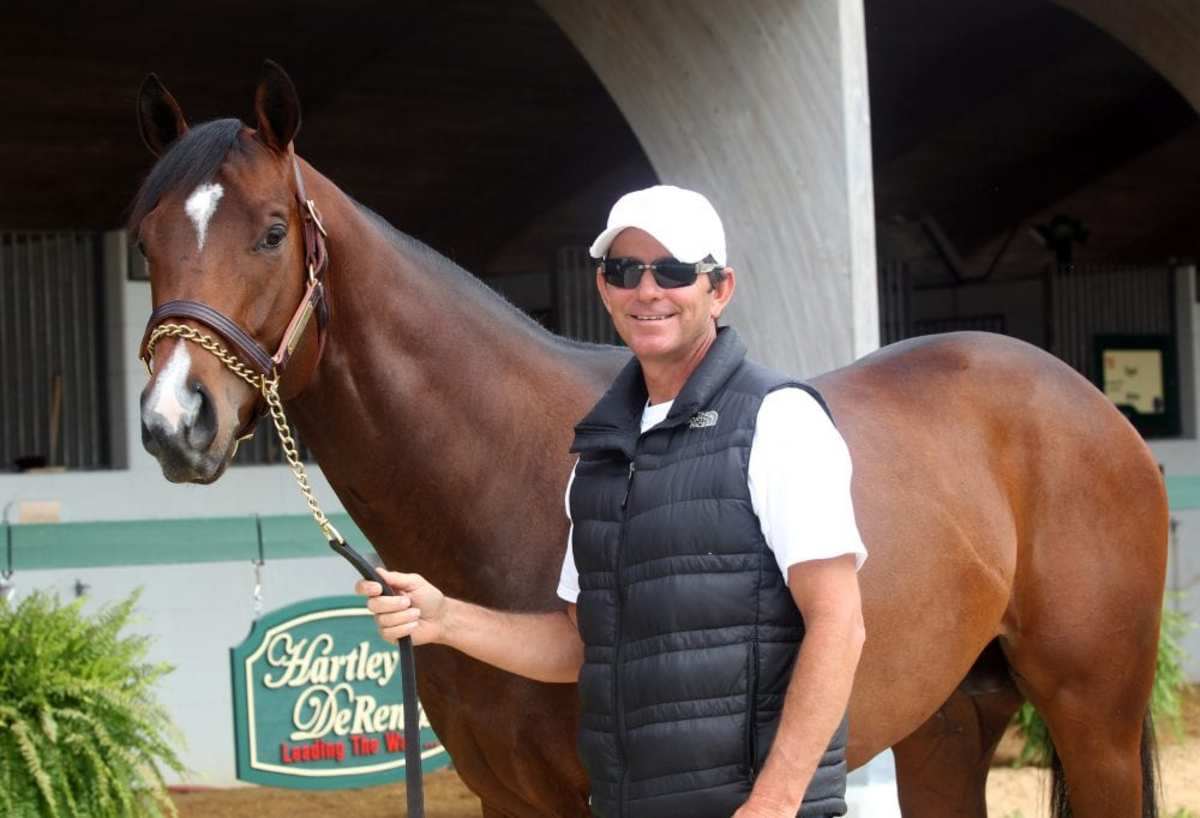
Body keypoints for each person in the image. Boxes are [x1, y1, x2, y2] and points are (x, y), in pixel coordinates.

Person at [358, 185, 867, 818]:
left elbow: (839, 624)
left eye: (675, 271)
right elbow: (581, 647)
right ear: (604, 289)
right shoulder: (599, 457)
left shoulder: (779, 420)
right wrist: (444, 619)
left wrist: (776, 801)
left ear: (721, 289)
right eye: (625, 271)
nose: (647, 290)